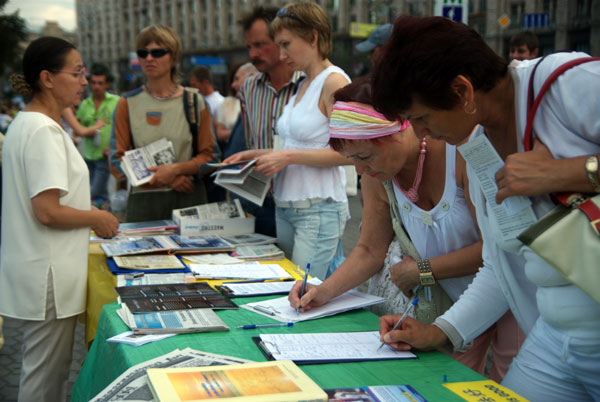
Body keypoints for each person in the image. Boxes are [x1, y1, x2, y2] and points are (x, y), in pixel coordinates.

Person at [371, 16, 600, 401]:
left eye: (421, 118)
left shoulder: (566, 85)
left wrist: (572, 172)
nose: (421, 133)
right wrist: (440, 330)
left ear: (462, 91)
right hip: (554, 338)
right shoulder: (476, 145)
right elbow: (500, 264)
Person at [289, 77, 524, 380]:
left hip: (511, 293)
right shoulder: (377, 173)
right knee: (448, 384)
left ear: (398, 132)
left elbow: (499, 251)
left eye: (364, 157)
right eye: (351, 160)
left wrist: (423, 270)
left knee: (511, 386)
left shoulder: (460, 153)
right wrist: (323, 291)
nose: (360, 170)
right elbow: (369, 249)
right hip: (449, 303)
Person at [0, 37, 119, 402]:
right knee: (45, 377)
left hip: (41, 267)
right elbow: (47, 210)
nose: (84, 81)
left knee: (46, 371)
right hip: (47, 272)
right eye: (77, 72)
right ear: (48, 78)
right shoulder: (43, 130)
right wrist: (97, 216)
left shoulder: (30, 123)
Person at [228, 3, 352, 280]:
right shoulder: (304, 83)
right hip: (287, 206)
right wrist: (255, 154)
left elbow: (353, 152)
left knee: (302, 292)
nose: (282, 55)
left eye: (286, 44)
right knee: (291, 289)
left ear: (313, 37)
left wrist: (286, 157)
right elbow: (298, 145)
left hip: (316, 208)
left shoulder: (334, 82)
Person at [110, 25, 215, 222]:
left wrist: (175, 170)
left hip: (189, 203)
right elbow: (117, 160)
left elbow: (210, 157)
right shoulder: (127, 103)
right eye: (143, 53)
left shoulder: (194, 102)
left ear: (173, 57)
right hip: (144, 205)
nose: (149, 58)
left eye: (157, 52)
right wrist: (166, 180)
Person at [222, 6, 303, 237]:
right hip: (261, 202)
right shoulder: (249, 88)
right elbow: (250, 143)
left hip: (303, 203)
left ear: (282, 40)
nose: (253, 54)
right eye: (249, 47)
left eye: (260, 45)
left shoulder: (310, 84)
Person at [75, 63, 119, 204]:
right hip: (88, 156)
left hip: (105, 156)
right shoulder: (84, 104)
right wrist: (89, 131)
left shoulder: (116, 102)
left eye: (100, 83)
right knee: (101, 195)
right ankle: (105, 212)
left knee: (91, 193)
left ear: (107, 84)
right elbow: (77, 128)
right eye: (93, 82)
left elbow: (123, 128)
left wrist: (114, 146)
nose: (96, 86)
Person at [222, 62, 258, 159]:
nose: (233, 85)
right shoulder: (245, 108)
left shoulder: (258, 111)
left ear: (251, 77)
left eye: (237, 79)